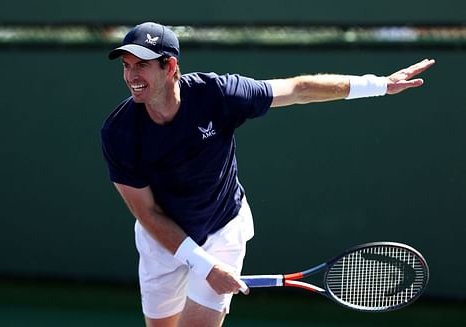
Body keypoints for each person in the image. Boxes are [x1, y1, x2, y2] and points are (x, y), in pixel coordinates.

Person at [100, 22, 435, 327]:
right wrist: (203, 266)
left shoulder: (218, 94)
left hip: (222, 227)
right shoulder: (119, 132)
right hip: (162, 242)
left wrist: (380, 85)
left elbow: (300, 89)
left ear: (170, 66)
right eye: (126, 66)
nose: (131, 76)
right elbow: (146, 212)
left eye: (141, 65)